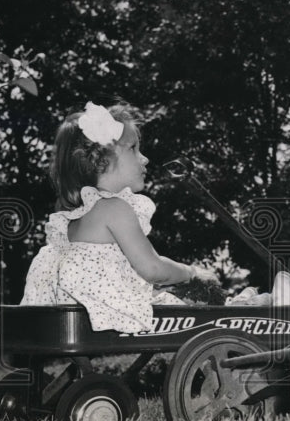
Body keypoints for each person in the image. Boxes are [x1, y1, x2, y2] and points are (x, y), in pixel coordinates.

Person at [20, 101, 221, 332]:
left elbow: (120, 278)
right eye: (133, 148)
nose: (144, 158)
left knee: (171, 297)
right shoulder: (114, 208)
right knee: (197, 314)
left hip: (74, 319)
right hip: (103, 315)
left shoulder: (75, 218)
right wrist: (190, 272)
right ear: (102, 159)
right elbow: (153, 268)